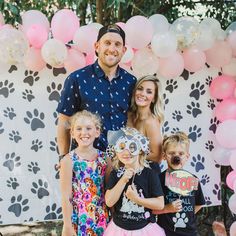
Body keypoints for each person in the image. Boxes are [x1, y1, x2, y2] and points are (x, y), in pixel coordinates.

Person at [56, 24, 137, 162]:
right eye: (107, 43)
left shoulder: (131, 82)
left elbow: (134, 121)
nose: (112, 49)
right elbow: (64, 122)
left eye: (117, 44)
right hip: (86, 164)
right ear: (97, 46)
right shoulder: (77, 79)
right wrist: (64, 158)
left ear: (123, 50)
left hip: (121, 162)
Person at [104, 127, 165, 235]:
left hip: (144, 230)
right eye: (121, 147)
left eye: (132, 147)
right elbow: (109, 202)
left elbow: (160, 204)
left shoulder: (150, 174)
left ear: (140, 149)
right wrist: (123, 179)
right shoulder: (116, 174)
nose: (126, 152)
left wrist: (137, 199)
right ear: (116, 151)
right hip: (118, 230)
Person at [60, 110, 111, 236]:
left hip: (101, 216)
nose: (84, 133)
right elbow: (66, 197)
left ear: (97, 132)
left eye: (89, 128)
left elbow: (110, 191)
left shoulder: (105, 159)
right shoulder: (68, 160)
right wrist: (67, 225)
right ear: (72, 133)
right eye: (78, 129)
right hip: (79, 218)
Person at [154, 132, 205, 236]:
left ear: (187, 156)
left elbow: (199, 203)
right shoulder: (158, 180)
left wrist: (188, 214)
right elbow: (151, 209)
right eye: (171, 153)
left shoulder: (193, 179)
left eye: (181, 154)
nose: (176, 157)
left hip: (189, 232)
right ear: (164, 156)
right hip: (165, 232)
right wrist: (167, 209)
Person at [127, 75, 164, 170]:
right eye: (140, 89)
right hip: (129, 169)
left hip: (147, 173)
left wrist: (131, 156)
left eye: (149, 92)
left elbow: (157, 156)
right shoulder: (129, 115)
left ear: (154, 98)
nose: (143, 94)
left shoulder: (151, 122)